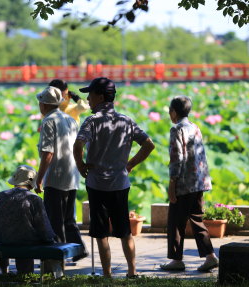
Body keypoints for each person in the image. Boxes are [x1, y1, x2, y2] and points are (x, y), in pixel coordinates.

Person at [73, 77, 155, 278]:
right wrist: (130, 164)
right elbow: (149, 145)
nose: (88, 100)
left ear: (100, 97)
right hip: (120, 183)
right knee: (125, 231)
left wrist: (80, 165)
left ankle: (107, 274)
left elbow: (78, 144)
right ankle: (132, 272)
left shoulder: (91, 121)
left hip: (97, 184)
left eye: (90, 95)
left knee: (101, 234)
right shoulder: (126, 121)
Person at [160, 96, 219, 272]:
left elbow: (177, 159)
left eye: (170, 111)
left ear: (174, 112)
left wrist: (172, 184)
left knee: (175, 223)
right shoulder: (195, 127)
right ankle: (210, 256)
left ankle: (177, 260)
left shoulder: (177, 129)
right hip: (199, 182)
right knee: (197, 219)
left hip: (184, 184)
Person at [35, 86, 88, 262]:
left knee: (54, 220)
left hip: (55, 176)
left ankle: (56, 258)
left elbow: (48, 153)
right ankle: (78, 250)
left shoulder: (48, 121)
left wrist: (39, 178)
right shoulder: (70, 120)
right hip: (72, 174)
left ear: (43, 104)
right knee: (68, 218)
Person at [0, 165, 56, 274]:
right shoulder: (34, 198)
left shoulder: (1, 195)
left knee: (21, 236)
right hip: (25, 241)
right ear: (31, 183)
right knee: (39, 241)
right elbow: (44, 228)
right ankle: (41, 277)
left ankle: (6, 274)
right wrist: (51, 240)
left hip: (3, 239)